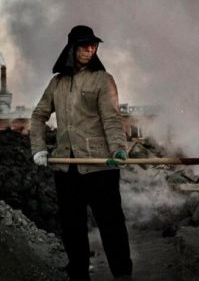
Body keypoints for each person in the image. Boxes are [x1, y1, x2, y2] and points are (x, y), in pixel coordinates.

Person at [30, 25, 133, 281]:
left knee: (111, 225)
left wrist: (119, 149)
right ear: (72, 48)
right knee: (72, 227)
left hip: (100, 165)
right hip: (67, 167)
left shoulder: (102, 79)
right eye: (84, 45)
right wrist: (39, 149)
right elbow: (38, 116)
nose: (90, 49)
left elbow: (111, 118)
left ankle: (123, 275)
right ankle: (78, 275)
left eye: (93, 46)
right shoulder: (57, 83)